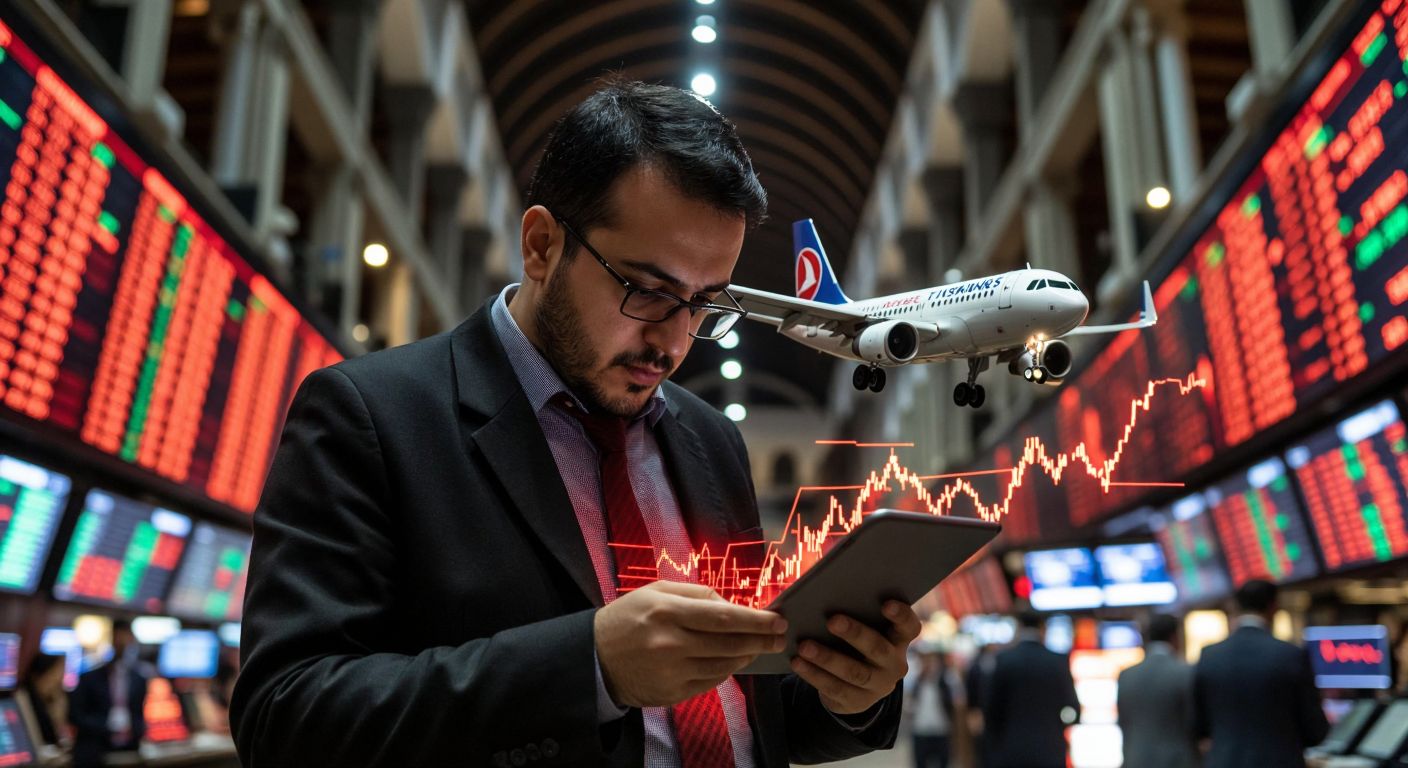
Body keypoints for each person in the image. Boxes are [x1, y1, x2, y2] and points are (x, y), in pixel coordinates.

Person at [231, 78, 915, 767]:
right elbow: (285, 718)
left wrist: (849, 692)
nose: (674, 343)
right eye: (648, 291)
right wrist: (588, 667)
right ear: (540, 245)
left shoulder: (712, 441)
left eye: (705, 302)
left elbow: (750, 715)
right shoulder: (373, 416)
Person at [1193, 579, 1328, 768]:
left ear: (1237, 607)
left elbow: (1198, 726)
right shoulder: (1291, 654)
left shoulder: (1209, 656)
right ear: (1273, 606)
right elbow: (1315, 731)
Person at [981, 612, 1080, 768]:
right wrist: (1058, 724)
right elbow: (1072, 708)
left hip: (1012, 750)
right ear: (1043, 628)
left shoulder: (1004, 660)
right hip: (1050, 749)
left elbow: (992, 710)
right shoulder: (1057, 661)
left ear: (1019, 628)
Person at [1117, 614, 1200, 768]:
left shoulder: (1126, 675)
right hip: (1178, 761)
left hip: (1136, 760)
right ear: (1175, 637)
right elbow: (1194, 722)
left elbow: (1123, 722)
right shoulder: (1187, 673)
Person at [69, 619, 147, 768]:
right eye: (119, 639)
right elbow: (75, 716)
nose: (123, 644)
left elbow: (139, 715)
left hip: (129, 750)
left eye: (126, 639)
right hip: (94, 750)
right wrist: (108, 726)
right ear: (111, 639)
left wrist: (133, 729)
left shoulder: (139, 679)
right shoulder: (88, 678)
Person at [905, 645, 961, 768]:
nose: (928, 664)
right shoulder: (915, 680)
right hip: (920, 730)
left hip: (942, 730)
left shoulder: (947, 678)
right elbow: (908, 704)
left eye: (931, 660)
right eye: (924, 659)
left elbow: (957, 700)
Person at [20, 653, 68, 747]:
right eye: (56, 674)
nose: (60, 679)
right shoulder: (25, 701)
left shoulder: (56, 699)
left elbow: (61, 735)